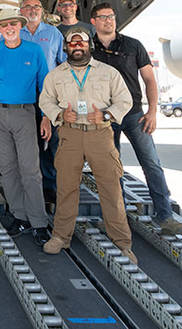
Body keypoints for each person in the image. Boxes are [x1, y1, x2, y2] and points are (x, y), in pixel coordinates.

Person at [89, 2, 182, 235]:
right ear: (93, 22)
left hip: (134, 113)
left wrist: (152, 111)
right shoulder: (89, 49)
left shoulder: (133, 45)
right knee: (111, 168)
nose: (109, 20)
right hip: (104, 116)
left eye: (111, 16)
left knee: (151, 163)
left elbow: (149, 80)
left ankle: (165, 216)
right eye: (103, 17)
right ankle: (116, 218)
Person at [39, 27, 137, 263]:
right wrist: (60, 115)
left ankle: (122, 243)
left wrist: (105, 115)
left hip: (100, 135)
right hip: (70, 135)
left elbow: (125, 100)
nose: (77, 47)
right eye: (72, 44)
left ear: (88, 46)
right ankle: (61, 237)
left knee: (110, 188)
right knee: (66, 188)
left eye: (81, 43)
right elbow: (45, 100)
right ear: (66, 48)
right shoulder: (56, 75)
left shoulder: (108, 73)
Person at [0, 8, 51, 244]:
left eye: (13, 24)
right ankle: (20, 216)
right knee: (7, 169)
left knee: (30, 170)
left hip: (25, 114)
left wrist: (46, 116)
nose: (9, 28)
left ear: (20, 26)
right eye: (4, 25)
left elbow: (45, 87)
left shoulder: (34, 51)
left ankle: (39, 222)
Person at [19, 0, 65, 205]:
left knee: (52, 143)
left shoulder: (53, 33)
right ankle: (29, 189)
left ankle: (50, 188)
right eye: (28, 7)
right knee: (29, 145)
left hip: (49, 96)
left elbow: (64, 64)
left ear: (42, 10)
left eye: (36, 6)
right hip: (23, 97)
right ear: (21, 11)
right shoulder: (14, 32)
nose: (32, 10)